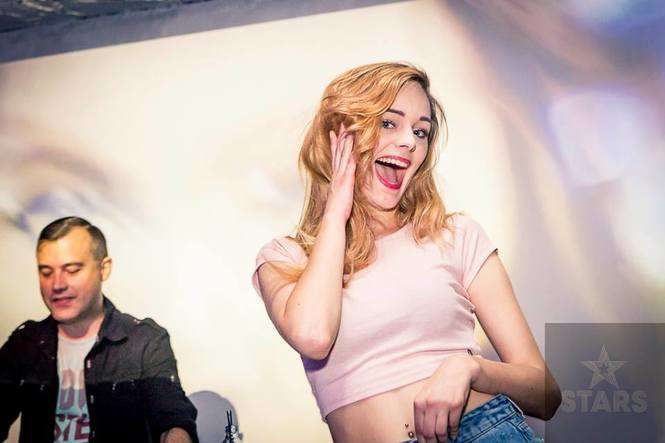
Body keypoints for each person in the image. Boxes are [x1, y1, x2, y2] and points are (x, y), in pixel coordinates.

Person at [252, 62, 562, 442]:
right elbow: (314, 336)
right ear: (339, 136)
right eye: (388, 123)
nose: (409, 142)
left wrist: (469, 369)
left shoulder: (455, 235)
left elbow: (545, 395)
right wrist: (335, 213)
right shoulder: (284, 259)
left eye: (420, 132)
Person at [0, 216, 198, 443]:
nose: (57, 284)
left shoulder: (144, 341)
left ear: (103, 269)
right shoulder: (25, 343)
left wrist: (176, 435)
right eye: (46, 272)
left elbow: (172, 415)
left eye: (72, 270)